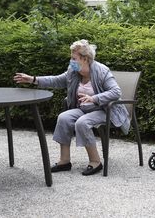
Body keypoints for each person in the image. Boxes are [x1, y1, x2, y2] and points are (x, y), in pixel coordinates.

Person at [13, 39, 130, 176]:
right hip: (84, 109)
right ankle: (65, 161)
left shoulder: (102, 71)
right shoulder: (73, 71)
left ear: (85, 59)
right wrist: (33, 79)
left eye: (73, 58)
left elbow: (116, 92)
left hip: (105, 110)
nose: (71, 61)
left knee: (82, 122)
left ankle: (95, 162)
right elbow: (56, 80)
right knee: (64, 117)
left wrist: (94, 98)